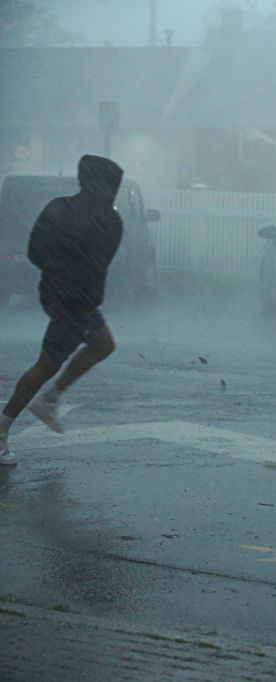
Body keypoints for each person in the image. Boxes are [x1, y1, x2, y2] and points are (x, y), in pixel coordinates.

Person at [0, 154, 125, 466]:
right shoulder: (107, 218)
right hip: (73, 302)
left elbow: (37, 251)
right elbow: (94, 263)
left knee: (102, 345)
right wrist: (63, 295)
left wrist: (54, 290)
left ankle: (49, 399)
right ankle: (9, 424)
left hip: (72, 299)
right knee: (45, 366)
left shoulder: (63, 209)